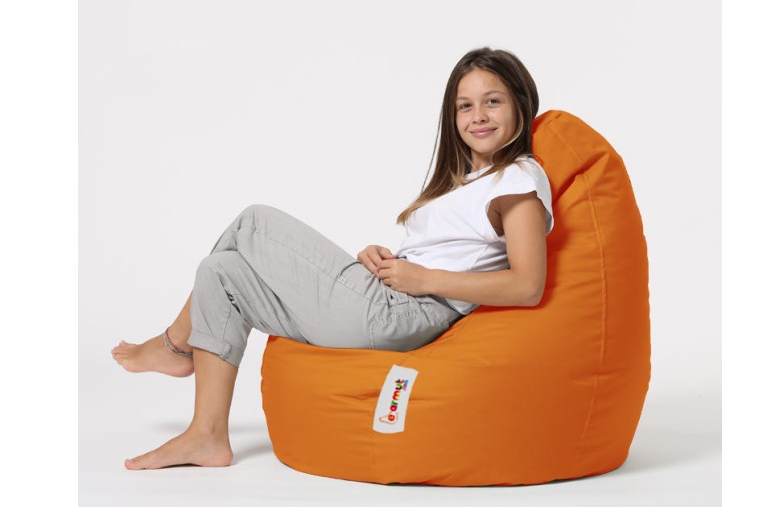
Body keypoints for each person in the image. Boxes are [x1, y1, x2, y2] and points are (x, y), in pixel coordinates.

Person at [111, 47, 555, 470]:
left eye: (492, 101)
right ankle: (206, 435)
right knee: (219, 273)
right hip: (391, 298)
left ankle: (174, 345)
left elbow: (527, 285)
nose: (478, 116)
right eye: (464, 106)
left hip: (406, 313)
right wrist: (386, 260)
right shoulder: (469, 181)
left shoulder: (517, 178)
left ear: (519, 104)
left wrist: (424, 279)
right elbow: (452, 251)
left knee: (253, 223)